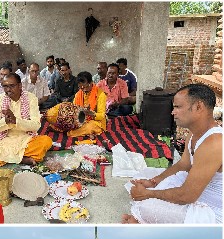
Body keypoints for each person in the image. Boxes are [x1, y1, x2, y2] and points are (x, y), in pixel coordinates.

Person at [124, 84, 222, 223]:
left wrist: (148, 194)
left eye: (177, 107)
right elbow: (183, 165)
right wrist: (153, 183)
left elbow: (187, 196)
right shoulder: (195, 133)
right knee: (143, 177)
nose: (172, 112)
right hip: (196, 191)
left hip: (212, 210)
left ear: (198, 107)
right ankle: (140, 219)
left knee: (146, 206)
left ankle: (138, 220)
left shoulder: (214, 143)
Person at [0, 74, 53, 166]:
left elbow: (36, 125)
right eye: (5, 86)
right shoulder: (0, 99)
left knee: (46, 141)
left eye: (12, 86)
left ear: (20, 85)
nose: (8, 89)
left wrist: (16, 120)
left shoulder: (31, 98)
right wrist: (5, 121)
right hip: (4, 139)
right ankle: (22, 159)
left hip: (26, 139)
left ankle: (4, 158)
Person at [46, 71, 107, 138]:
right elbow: (74, 109)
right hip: (79, 120)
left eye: (85, 87)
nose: (83, 90)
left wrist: (91, 114)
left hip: (96, 121)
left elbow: (102, 115)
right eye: (81, 87)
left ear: (91, 83)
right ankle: (83, 132)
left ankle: (68, 132)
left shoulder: (101, 95)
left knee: (90, 127)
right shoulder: (78, 94)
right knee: (61, 115)